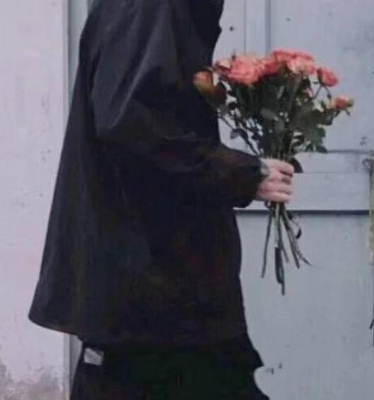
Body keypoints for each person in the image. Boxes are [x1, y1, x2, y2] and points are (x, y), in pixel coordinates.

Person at [29, 0, 294, 399]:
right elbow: (129, 124)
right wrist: (241, 173)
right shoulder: (152, 6)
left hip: (164, 299)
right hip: (154, 292)